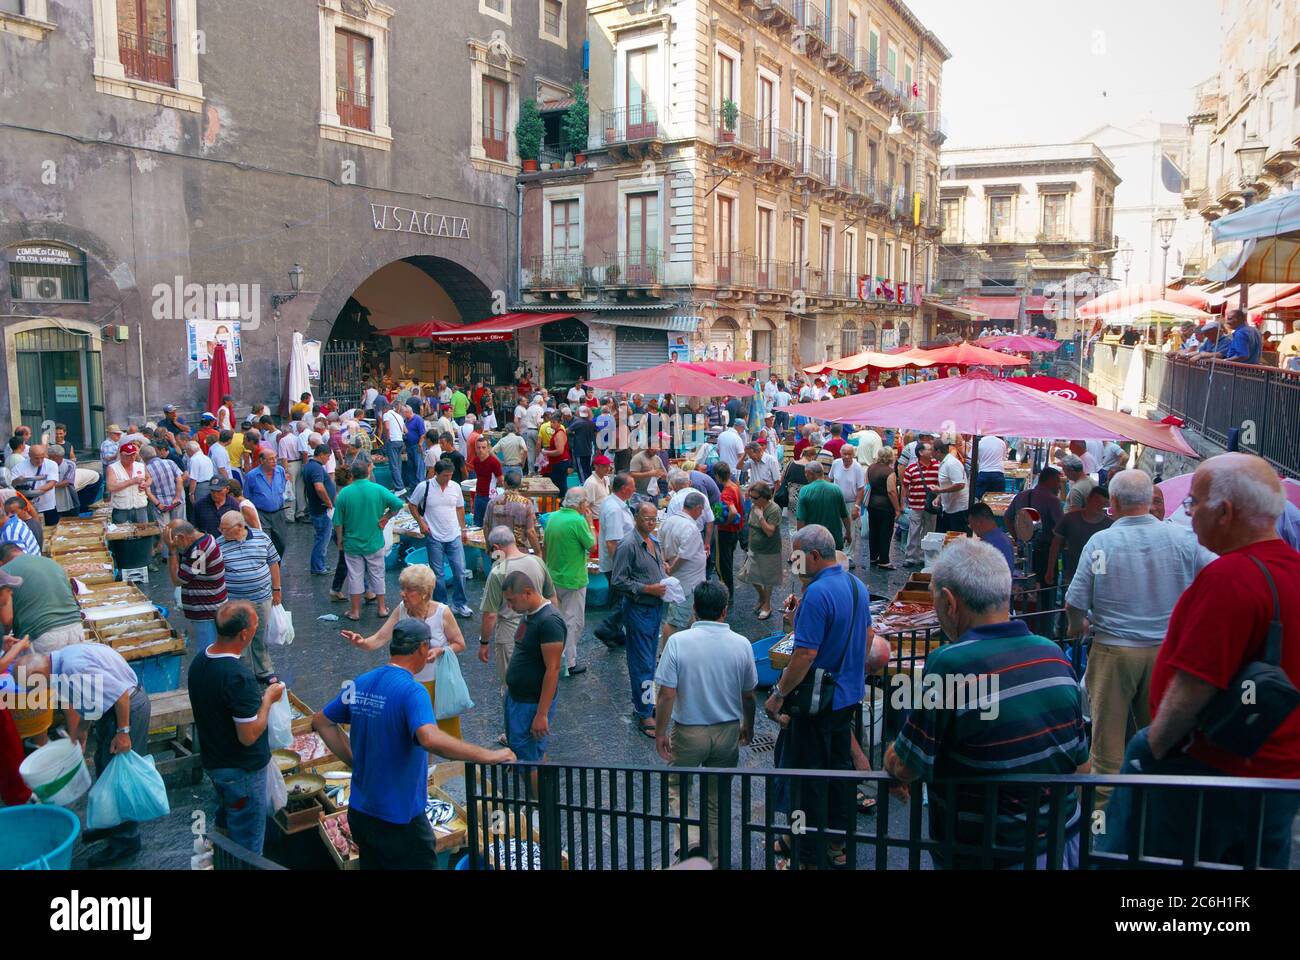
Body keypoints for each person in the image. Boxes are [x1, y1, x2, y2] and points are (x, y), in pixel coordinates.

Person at [1099, 454, 1300, 867]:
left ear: (1224, 512)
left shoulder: (1229, 578)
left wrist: (1153, 747)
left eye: (1193, 504)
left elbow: (1194, 685)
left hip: (1209, 772)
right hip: (1278, 776)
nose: (1188, 514)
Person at [885, 537, 1089, 869]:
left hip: (987, 854)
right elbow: (1081, 764)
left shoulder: (950, 664)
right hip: (1063, 843)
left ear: (950, 602)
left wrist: (891, 758)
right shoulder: (1053, 654)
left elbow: (908, 764)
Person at [1065, 469, 1216, 806]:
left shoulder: (1102, 542)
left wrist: (1077, 626)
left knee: (1106, 749)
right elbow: (1218, 575)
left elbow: (1074, 602)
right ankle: (1151, 818)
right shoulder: (1182, 540)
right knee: (1158, 740)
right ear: (1149, 501)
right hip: (1166, 653)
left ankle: (1100, 832)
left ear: (1114, 502)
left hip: (1114, 651)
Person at [314, 618, 514, 869]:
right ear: (421, 648)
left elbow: (322, 721)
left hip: (361, 813)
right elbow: (429, 738)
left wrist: (355, 761)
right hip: (400, 819)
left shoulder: (360, 682)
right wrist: (488, 756)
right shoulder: (413, 691)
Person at [764, 524, 870, 870]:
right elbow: (867, 637)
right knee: (839, 778)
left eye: (796, 555)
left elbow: (805, 655)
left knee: (804, 785)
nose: (794, 562)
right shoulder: (856, 586)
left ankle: (804, 855)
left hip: (815, 707)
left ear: (812, 555)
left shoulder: (817, 594)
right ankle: (837, 846)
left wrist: (779, 694)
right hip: (846, 699)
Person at [16, 642, 151, 866]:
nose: (37, 691)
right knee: (103, 766)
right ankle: (109, 825)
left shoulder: (72, 668)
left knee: (119, 780)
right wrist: (82, 730)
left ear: (39, 673)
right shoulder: (59, 663)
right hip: (110, 711)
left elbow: (120, 695)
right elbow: (90, 697)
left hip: (127, 709)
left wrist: (123, 732)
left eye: (34, 686)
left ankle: (126, 842)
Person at [654, 580, 758, 865]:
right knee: (716, 797)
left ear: (695, 609)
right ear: (724, 611)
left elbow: (666, 695)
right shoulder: (741, 645)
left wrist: (660, 731)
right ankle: (712, 857)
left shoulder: (678, 642)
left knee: (678, 786)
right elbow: (748, 695)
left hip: (688, 731)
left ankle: (690, 842)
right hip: (727, 732)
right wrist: (748, 724)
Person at [187, 600, 285, 856]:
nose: (257, 628)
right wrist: (267, 700)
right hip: (241, 772)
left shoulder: (200, 660)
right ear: (244, 634)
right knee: (248, 845)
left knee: (229, 818)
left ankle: (219, 854)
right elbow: (249, 735)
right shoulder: (237, 676)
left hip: (215, 763)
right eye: (255, 625)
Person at [343, 564, 468, 738]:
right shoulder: (402, 609)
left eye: (409, 590)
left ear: (424, 592)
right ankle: (425, 766)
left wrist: (440, 650)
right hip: (408, 684)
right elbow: (379, 638)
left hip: (438, 684)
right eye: (403, 588)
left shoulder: (442, 612)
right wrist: (361, 642)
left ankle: (457, 765)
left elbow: (460, 644)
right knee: (415, 736)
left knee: (447, 735)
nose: (403, 593)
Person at [479, 526, 556, 731]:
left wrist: (484, 642)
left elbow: (491, 614)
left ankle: (513, 731)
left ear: (496, 547)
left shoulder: (498, 571)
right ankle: (539, 719)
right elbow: (552, 596)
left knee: (511, 686)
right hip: (539, 629)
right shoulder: (537, 562)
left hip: (510, 633)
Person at [500, 572, 566, 786]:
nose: (509, 606)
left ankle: (541, 808)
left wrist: (541, 714)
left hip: (531, 703)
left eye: (511, 600)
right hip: (518, 699)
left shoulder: (549, 622)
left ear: (527, 593)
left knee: (530, 760)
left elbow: (553, 669)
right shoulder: (529, 613)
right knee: (529, 753)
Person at [612, 501, 668, 737]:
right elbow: (618, 581)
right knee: (642, 663)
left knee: (649, 661)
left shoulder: (653, 541)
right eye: (647, 519)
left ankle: (647, 703)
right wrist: (648, 589)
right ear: (636, 518)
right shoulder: (628, 545)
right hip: (639, 610)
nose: (652, 523)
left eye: (654, 519)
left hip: (655, 609)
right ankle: (644, 712)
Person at [329, 460, 402, 622]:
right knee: (377, 574)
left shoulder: (344, 494)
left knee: (355, 576)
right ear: (368, 473)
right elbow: (398, 504)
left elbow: (338, 522)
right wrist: (385, 517)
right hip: (374, 541)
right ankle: (382, 608)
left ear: (352, 475)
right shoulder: (378, 489)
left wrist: (340, 540)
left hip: (352, 543)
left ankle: (355, 611)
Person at [216, 511, 282, 681]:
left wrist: (277, 589)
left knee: (260, 635)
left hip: (262, 598)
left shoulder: (262, 538)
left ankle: (264, 670)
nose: (221, 532)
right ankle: (243, 672)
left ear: (240, 526)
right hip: (235, 601)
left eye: (224, 529)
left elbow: (273, 563)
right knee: (239, 637)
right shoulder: (219, 544)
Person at [407, 459, 474, 618]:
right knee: (437, 574)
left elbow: (459, 508)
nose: (448, 478)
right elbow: (412, 505)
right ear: (436, 473)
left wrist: (463, 529)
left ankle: (460, 603)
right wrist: (421, 522)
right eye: (445, 475)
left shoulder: (455, 487)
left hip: (453, 535)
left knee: (459, 571)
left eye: (450, 475)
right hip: (434, 536)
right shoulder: (425, 487)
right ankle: (441, 605)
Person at [545, 487, 595, 675]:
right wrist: (590, 522)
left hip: (553, 576)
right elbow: (592, 544)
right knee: (573, 621)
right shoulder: (578, 520)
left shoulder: (553, 517)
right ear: (581, 504)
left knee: (556, 620)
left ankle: (553, 657)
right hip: (573, 579)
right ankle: (568, 662)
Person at [165, 518, 227, 651]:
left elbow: (177, 579)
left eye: (173, 541)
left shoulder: (199, 551)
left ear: (181, 537)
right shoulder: (204, 537)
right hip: (210, 607)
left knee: (208, 653)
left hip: (207, 611)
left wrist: (172, 551)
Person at [659, 491, 709, 646]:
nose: (701, 515)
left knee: (688, 615)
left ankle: (694, 645)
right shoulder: (691, 528)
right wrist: (671, 569)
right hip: (686, 583)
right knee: (674, 621)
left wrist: (664, 563)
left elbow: (660, 545)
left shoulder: (669, 520)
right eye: (701, 511)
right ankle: (665, 654)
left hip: (679, 580)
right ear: (698, 508)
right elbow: (684, 556)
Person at [1044, 485, 1111, 588]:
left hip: (1098, 578)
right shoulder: (1070, 519)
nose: (1099, 506)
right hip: (1072, 575)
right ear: (1089, 499)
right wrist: (1050, 569)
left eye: (1103, 504)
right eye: (1097, 501)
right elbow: (1055, 544)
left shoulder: (1109, 525)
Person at [1006, 467, 1065, 584]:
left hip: (1024, 551)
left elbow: (1007, 517)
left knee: (1024, 589)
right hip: (1045, 555)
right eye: (1058, 481)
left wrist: (1018, 539)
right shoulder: (1053, 501)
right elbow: (1060, 530)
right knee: (1045, 592)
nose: (1059, 486)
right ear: (1050, 481)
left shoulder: (1021, 496)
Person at [739, 481, 783, 620]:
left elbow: (770, 531)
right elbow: (751, 526)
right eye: (751, 496)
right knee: (749, 575)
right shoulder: (754, 506)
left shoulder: (774, 510)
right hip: (754, 548)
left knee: (767, 579)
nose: (752, 500)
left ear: (765, 497)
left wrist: (761, 516)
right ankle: (762, 597)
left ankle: (767, 606)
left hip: (769, 549)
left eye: (755, 497)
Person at [795, 459, 851, 555]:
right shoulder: (836, 489)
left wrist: (800, 542)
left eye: (806, 473)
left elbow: (800, 520)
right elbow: (845, 515)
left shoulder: (805, 490)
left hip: (813, 542)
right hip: (834, 540)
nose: (805, 476)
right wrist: (848, 533)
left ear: (810, 473)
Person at [482, 468, 542, 555]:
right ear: (519, 485)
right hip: (520, 553)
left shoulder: (493, 502)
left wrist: (489, 548)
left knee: (500, 568)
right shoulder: (526, 504)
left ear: (504, 483)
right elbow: (530, 531)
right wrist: (538, 552)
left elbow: (486, 526)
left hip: (498, 552)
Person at [243, 448, 288, 561]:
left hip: (279, 513)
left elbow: (282, 487)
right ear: (262, 461)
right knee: (264, 543)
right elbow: (246, 496)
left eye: (275, 458)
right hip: (261, 514)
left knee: (281, 543)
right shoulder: (252, 476)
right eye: (270, 459)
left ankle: (276, 566)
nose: (274, 461)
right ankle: (267, 570)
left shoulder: (280, 471)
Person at [302, 443, 336, 576]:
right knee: (322, 538)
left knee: (321, 537)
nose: (328, 459)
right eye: (327, 456)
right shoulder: (316, 468)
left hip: (316, 507)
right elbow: (319, 487)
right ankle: (318, 567)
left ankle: (319, 564)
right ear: (321, 454)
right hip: (321, 509)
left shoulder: (309, 466)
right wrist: (328, 503)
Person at [712, 461, 745, 598]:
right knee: (729, 560)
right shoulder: (735, 486)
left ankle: (727, 594)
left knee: (723, 565)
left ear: (718, 476)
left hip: (726, 531)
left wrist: (725, 522)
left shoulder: (726, 492)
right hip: (736, 530)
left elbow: (732, 511)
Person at [829, 442, 865, 559]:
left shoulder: (857, 467)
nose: (847, 457)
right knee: (835, 526)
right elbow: (830, 480)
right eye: (845, 454)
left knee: (849, 528)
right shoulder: (836, 463)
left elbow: (860, 489)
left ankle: (848, 556)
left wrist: (857, 506)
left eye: (850, 454)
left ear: (853, 455)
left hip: (850, 502)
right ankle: (837, 551)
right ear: (841, 453)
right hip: (835, 502)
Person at [10, 444, 59, 529]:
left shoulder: (51, 464)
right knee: (33, 530)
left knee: (52, 530)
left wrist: (34, 492)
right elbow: (11, 485)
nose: (40, 460)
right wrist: (17, 481)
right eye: (36, 458)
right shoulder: (19, 467)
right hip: (27, 506)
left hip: (47, 505)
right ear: (29, 455)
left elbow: (51, 483)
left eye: (42, 457)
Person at [468, 436, 502, 529]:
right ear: (475, 448)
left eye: (483, 447)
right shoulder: (476, 460)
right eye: (478, 447)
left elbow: (501, 480)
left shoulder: (494, 462)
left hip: (490, 497)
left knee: (490, 525)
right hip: (478, 495)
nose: (481, 450)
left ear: (488, 448)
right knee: (477, 523)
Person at [379, 399, 406, 491]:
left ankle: (399, 488)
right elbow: (405, 430)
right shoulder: (399, 416)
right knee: (398, 465)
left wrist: (387, 438)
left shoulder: (386, 415)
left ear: (385, 409)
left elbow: (386, 427)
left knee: (393, 465)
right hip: (400, 441)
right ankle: (398, 485)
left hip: (392, 441)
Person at [46, 444, 79, 519]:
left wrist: (49, 486)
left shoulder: (70, 464)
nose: (50, 459)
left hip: (68, 497)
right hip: (51, 500)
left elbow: (67, 482)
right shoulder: (46, 464)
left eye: (52, 458)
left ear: (59, 457)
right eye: (49, 457)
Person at [569, 406, 598, 485]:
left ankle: (584, 484)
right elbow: (596, 434)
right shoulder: (592, 423)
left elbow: (568, 430)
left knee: (581, 469)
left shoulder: (578, 423)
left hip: (579, 449)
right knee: (588, 468)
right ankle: (590, 484)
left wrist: (573, 434)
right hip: (589, 449)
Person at [401, 403, 426, 490]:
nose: (402, 415)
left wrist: (420, 444)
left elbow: (423, 434)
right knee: (411, 466)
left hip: (416, 446)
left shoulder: (418, 419)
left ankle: (420, 486)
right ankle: (413, 486)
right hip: (409, 446)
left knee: (419, 466)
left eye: (403, 413)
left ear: (408, 412)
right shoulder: (406, 421)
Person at [973, 434, 1008, 498]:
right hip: (998, 473)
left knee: (979, 499)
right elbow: (1003, 457)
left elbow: (972, 458)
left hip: (983, 472)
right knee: (998, 499)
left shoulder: (979, 442)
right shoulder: (1001, 443)